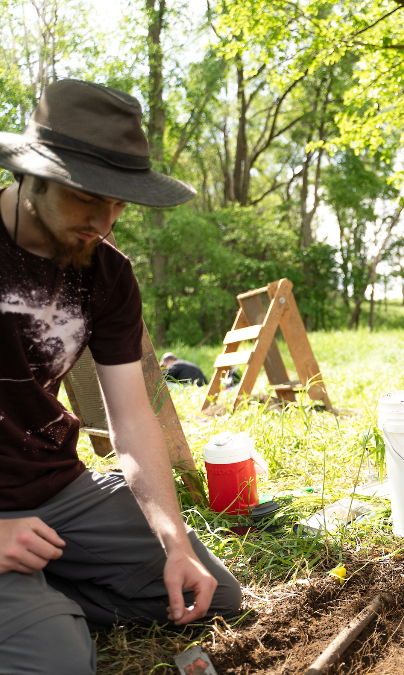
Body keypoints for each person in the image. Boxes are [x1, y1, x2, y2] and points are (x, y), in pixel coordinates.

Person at [0, 79, 241, 673]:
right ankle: (43, 618)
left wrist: (174, 541)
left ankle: (42, 596)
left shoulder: (108, 274)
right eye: (89, 199)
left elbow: (130, 417)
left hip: (56, 490)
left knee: (210, 591)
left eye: (120, 202)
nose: (105, 222)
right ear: (34, 173)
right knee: (57, 661)